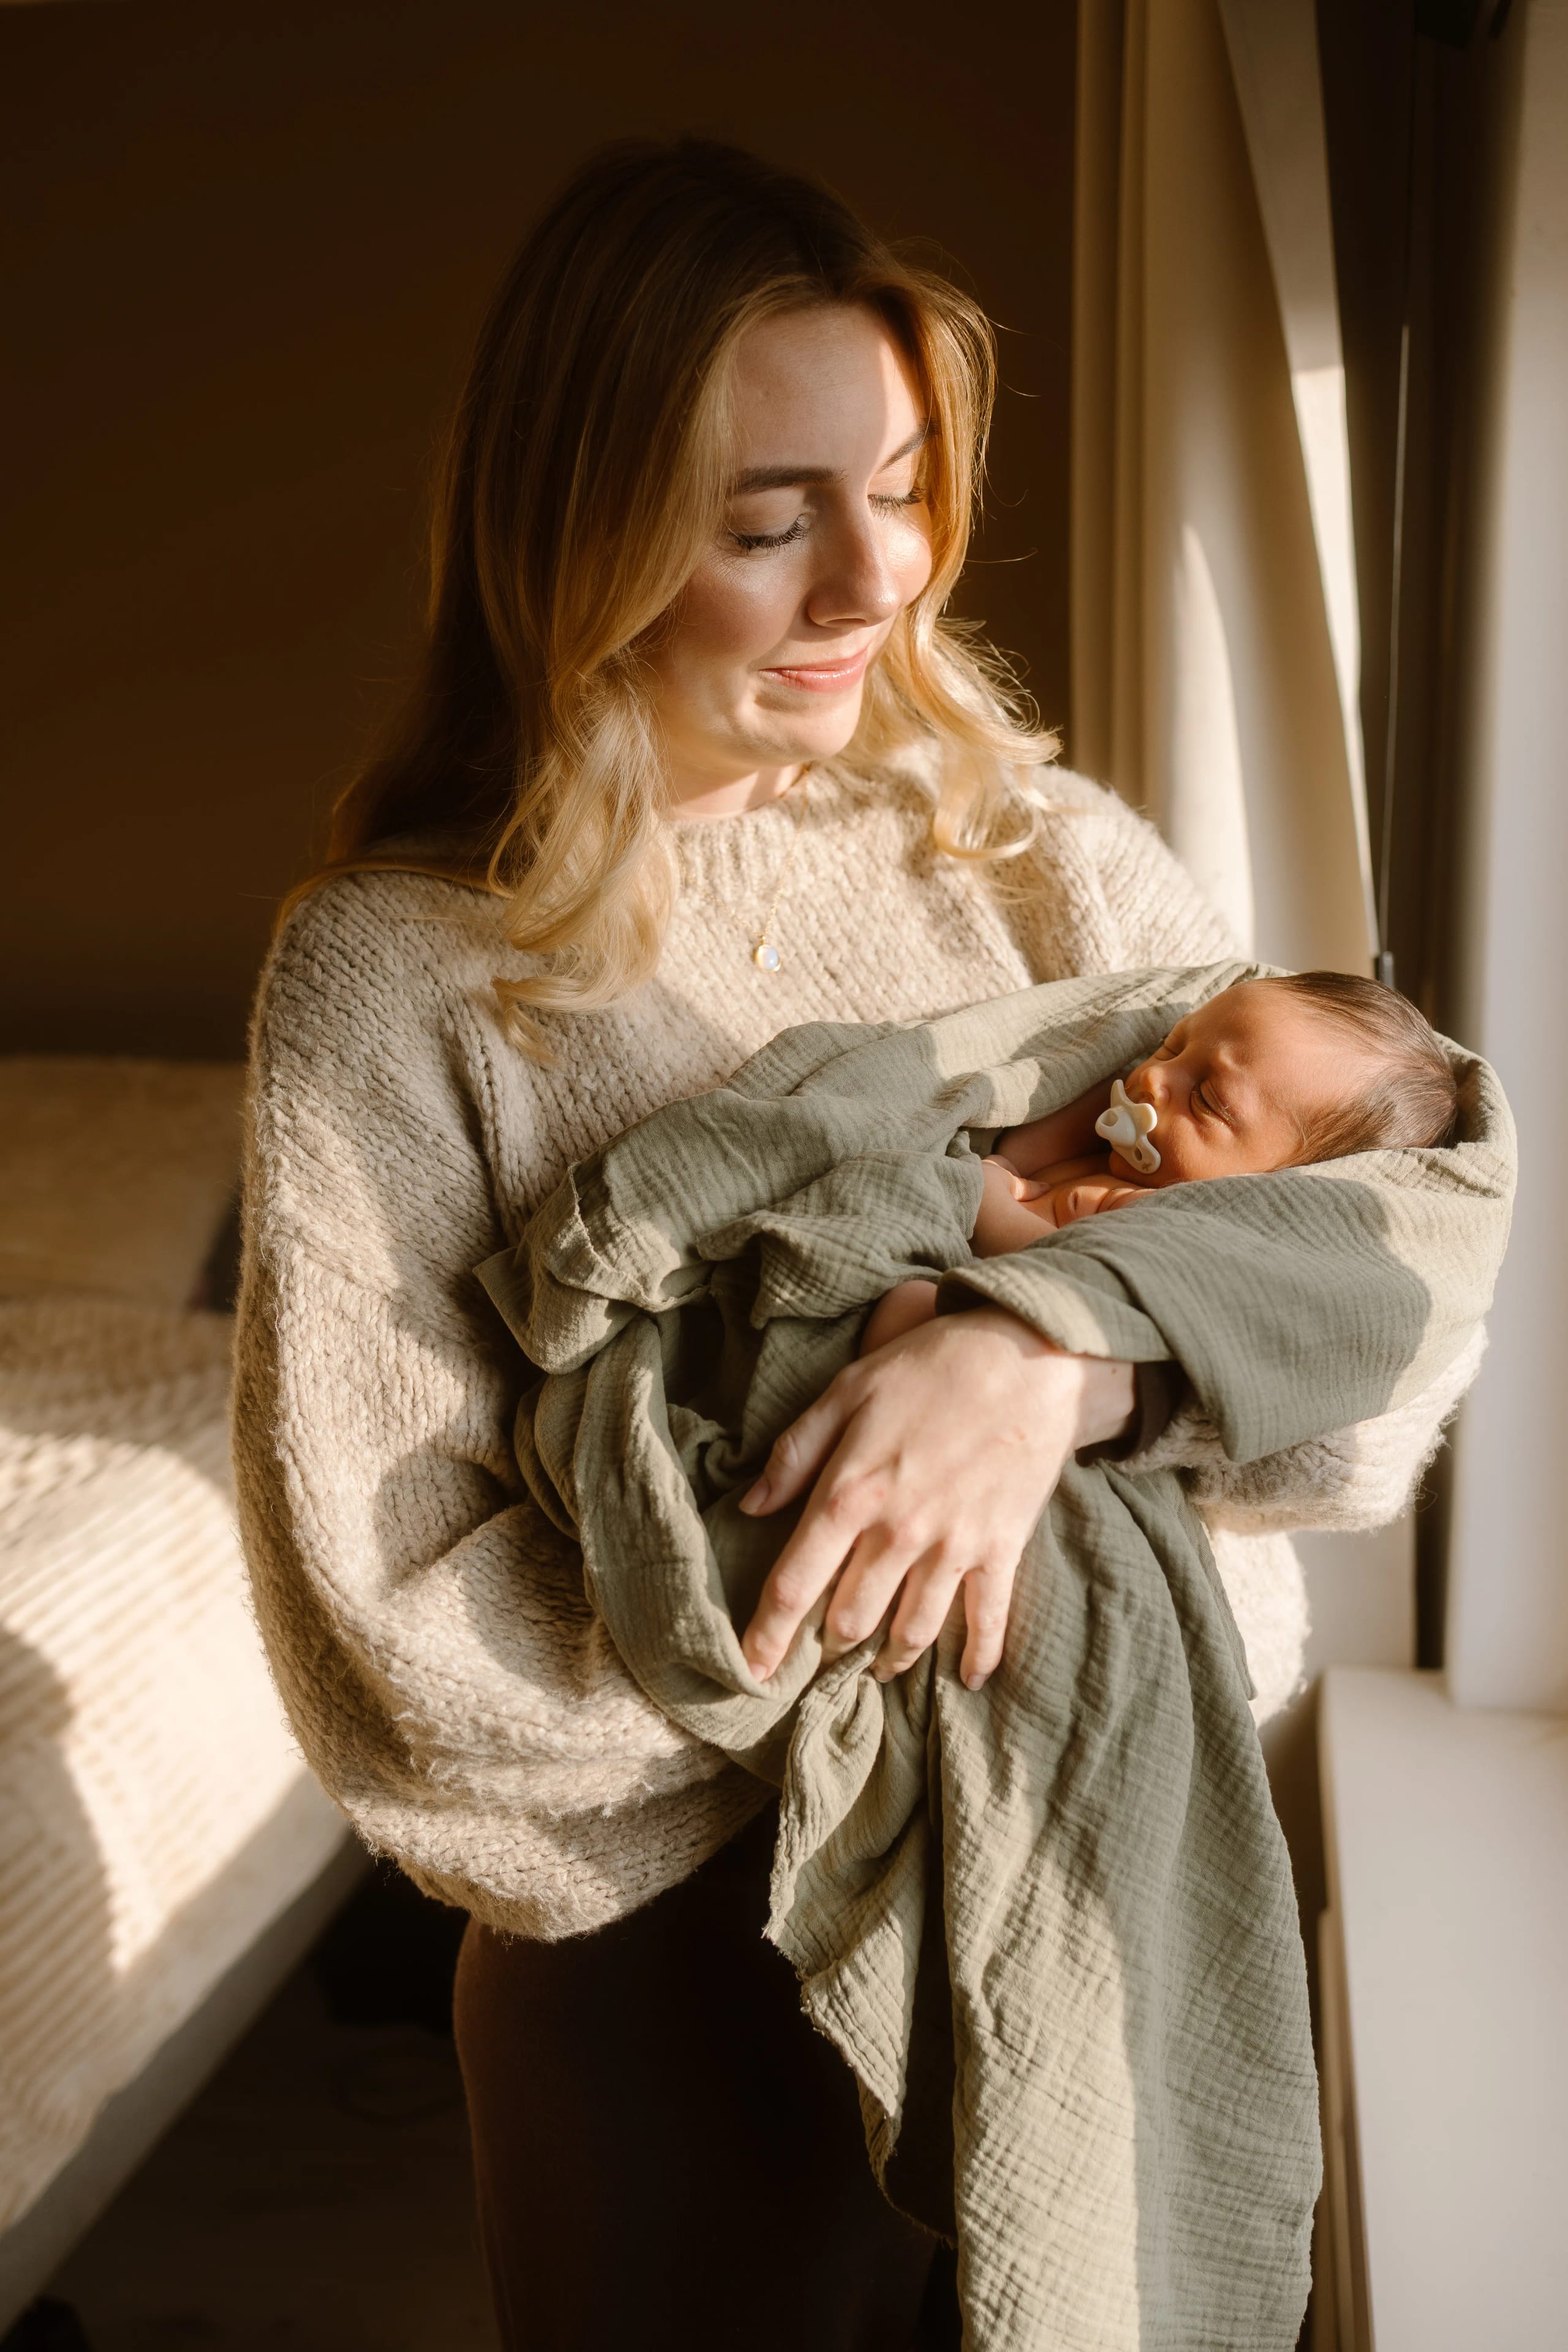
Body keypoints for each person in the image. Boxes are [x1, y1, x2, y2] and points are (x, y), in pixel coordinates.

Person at [233, 140, 1481, 2350]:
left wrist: (1045, 1364)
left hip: (1110, 1895)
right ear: (581, 530)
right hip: (680, 2029)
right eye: (761, 521)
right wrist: (852, 1560)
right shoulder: (393, 984)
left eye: (899, 486)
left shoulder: (1046, 872)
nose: (866, 582)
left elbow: (1385, 1341)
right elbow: (400, 1680)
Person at [860, 968, 1461, 1356]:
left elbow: (1043, 1262)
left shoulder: (1151, 1217)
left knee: (909, 1311)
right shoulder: (1117, 1148)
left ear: (1277, 1187)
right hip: (938, 1250)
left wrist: (987, 1191)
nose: (1151, 1076)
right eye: (1173, 1044)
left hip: (1020, 1331)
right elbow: (1028, 1140)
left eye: (1205, 1097)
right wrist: (1022, 1150)